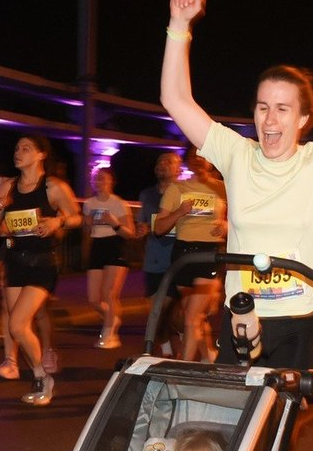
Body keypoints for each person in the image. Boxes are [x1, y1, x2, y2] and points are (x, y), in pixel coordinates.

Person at [160, 0, 313, 369]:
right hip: (242, 316)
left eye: (283, 109)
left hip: (301, 319)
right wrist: (179, 26)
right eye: (263, 107)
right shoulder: (236, 154)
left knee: (283, 406)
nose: (270, 119)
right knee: (236, 406)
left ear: (302, 119)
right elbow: (175, 100)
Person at [0, 133, 80, 406]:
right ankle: (39, 375)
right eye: (17, 148)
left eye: (26, 148)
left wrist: (57, 222)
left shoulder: (53, 186)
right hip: (15, 260)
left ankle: (41, 376)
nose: (18, 153)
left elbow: (77, 217)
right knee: (17, 328)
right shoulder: (8, 186)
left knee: (17, 323)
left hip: (42, 262)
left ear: (41, 155)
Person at [156, 146, 228, 362]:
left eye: (202, 155)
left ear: (211, 159)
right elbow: (159, 228)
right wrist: (179, 212)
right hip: (183, 253)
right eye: (193, 156)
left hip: (210, 253)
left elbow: (240, 220)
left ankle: (185, 367)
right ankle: (208, 356)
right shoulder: (177, 188)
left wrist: (225, 226)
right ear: (187, 161)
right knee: (194, 316)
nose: (198, 159)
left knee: (191, 317)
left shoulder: (223, 188)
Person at [81, 167, 135, 349]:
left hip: (115, 245)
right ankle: (112, 317)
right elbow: (87, 229)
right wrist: (87, 223)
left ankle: (109, 334)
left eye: (103, 178)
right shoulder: (89, 203)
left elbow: (130, 233)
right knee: (94, 299)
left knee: (109, 293)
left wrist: (114, 223)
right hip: (97, 246)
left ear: (111, 181)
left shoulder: (119, 203)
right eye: (96, 179)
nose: (99, 182)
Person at [138, 149, 183, 353]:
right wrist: (142, 229)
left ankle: (184, 341)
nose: (161, 165)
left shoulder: (184, 193)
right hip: (153, 260)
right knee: (156, 312)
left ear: (178, 169)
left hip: (177, 258)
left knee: (169, 310)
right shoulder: (147, 195)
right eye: (159, 162)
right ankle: (167, 350)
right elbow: (142, 223)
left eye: (168, 162)